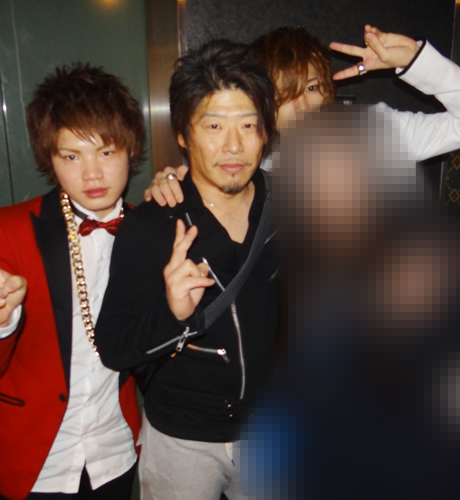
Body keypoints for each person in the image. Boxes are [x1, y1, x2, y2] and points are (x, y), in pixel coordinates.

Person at [95, 40, 278, 500]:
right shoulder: (152, 224)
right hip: (182, 438)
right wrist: (173, 314)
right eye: (213, 125)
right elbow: (114, 346)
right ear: (183, 134)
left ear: (265, 132)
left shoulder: (296, 209)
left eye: (248, 125)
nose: (233, 145)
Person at [0, 64, 144, 500]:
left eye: (106, 152)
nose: (92, 174)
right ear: (50, 159)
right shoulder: (8, 232)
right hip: (34, 456)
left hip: (115, 452)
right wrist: (3, 322)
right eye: (71, 156)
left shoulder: (151, 232)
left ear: (131, 150)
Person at [147, 25, 460, 205]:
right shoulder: (252, 160)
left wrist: (417, 62)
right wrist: (171, 182)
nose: (303, 107)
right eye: (285, 94)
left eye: (311, 88)